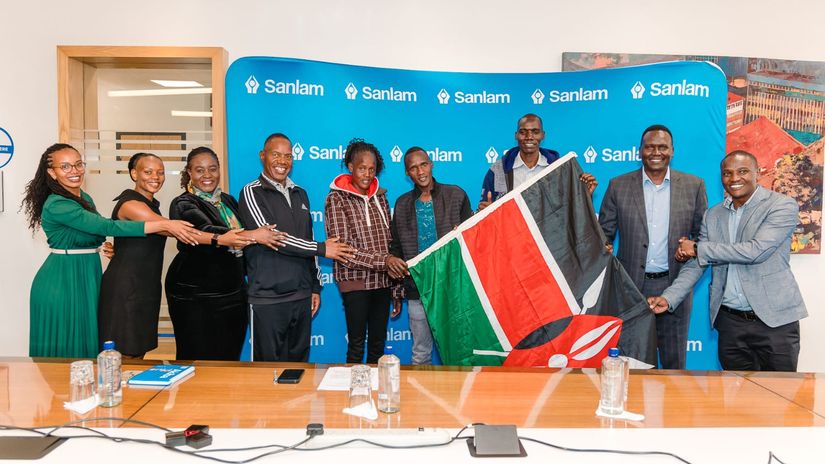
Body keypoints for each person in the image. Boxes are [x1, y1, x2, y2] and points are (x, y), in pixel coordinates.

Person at [22, 143, 198, 359]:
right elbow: (106, 227)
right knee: (68, 348)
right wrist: (163, 225)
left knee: (88, 347)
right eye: (65, 167)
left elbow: (95, 233)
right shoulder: (58, 204)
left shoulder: (84, 198)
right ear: (52, 172)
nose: (75, 171)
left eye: (78, 164)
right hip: (64, 279)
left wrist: (117, 250)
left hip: (87, 273)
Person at [648, 151, 808, 371]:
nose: (734, 179)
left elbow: (755, 251)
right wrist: (669, 297)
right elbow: (698, 263)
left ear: (757, 173)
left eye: (742, 171)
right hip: (731, 324)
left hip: (775, 321)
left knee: (780, 399)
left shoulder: (781, 206)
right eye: (727, 173)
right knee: (735, 400)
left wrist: (696, 247)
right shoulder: (712, 215)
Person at [238, 133, 356, 362]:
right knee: (266, 372)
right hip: (267, 298)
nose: (282, 161)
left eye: (288, 156)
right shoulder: (251, 192)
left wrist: (314, 287)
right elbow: (273, 238)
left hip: (300, 296)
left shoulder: (300, 193)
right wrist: (322, 249)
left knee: (298, 368)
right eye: (276, 155)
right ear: (263, 156)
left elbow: (307, 238)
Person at [598, 125, 707, 369]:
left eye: (662, 147)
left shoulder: (694, 185)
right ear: (640, 151)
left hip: (675, 285)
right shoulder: (618, 185)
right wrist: (601, 246)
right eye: (650, 147)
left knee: (673, 364)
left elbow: (703, 240)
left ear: (672, 151)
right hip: (629, 289)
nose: (656, 152)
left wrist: (693, 246)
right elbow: (604, 234)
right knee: (630, 363)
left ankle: (671, 408)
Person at [165, 146, 285, 361]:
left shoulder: (228, 201)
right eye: (200, 170)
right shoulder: (183, 203)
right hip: (195, 294)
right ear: (189, 173)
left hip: (233, 291)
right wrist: (253, 235)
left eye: (212, 169)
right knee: (197, 356)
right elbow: (206, 229)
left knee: (228, 356)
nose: (207, 175)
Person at [387, 147, 473, 365]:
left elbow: (471, 238)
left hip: (452, 289)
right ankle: (420, 400)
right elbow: (396, 247)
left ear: (431, 164)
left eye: (423, 164)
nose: (420, 171)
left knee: (458, 352)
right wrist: (396, 284)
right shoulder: (403, 203)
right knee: (420, 353)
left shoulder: (456, 195)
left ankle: (458, 398)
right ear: (407, 173)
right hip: (418, 290)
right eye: (413, 168)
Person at [325, 139, 406, 364]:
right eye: (362, 168)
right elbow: (345, 251)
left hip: (382, 283)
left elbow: (390, 243)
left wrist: (396, 288)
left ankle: (376, 393)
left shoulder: (381, 197)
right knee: (356, 345)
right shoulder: (336, 198)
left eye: (372, 169)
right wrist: (386, 261)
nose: (367, 174)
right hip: (355, 284)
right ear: (351, 167)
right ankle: (354, 395)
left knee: (378, 346)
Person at [98, 153, 175, 358]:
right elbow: (169, 228)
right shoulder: (130, 204)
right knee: (122, 355)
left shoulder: (151, 203)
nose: (155, 177)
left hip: (144, 286)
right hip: (125, 289)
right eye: (148, 172)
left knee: (137, 352)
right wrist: (218, 237)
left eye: (160, 172)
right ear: (134, 174)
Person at [478, 113, 596, 210]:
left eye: (535, 132)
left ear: (543, 135)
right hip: (510, 236)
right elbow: (483, 209)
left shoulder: (559, 168)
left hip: (549, 237)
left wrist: (585, 195)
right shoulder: (498, 169)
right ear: (516, 135)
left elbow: (571, 208)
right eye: (523, 132)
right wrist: (485, 212)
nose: (529, 137)